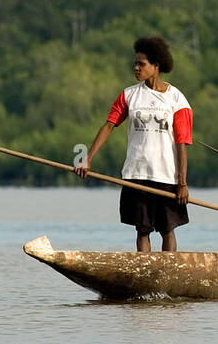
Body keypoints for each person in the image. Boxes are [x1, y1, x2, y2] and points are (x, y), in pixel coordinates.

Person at [76, 36, 191, 252]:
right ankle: (145, 275)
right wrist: (87, 159)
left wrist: (182, 183)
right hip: (136, 173)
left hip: (166, 175)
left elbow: (182, 142)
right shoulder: (129, 95)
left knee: (167, 229)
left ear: (156, 66)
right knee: (142, 229)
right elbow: (109, 126)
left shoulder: (177, 99)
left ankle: (168, 275)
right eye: (135, 63)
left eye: (142, 64)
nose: (136, 68)